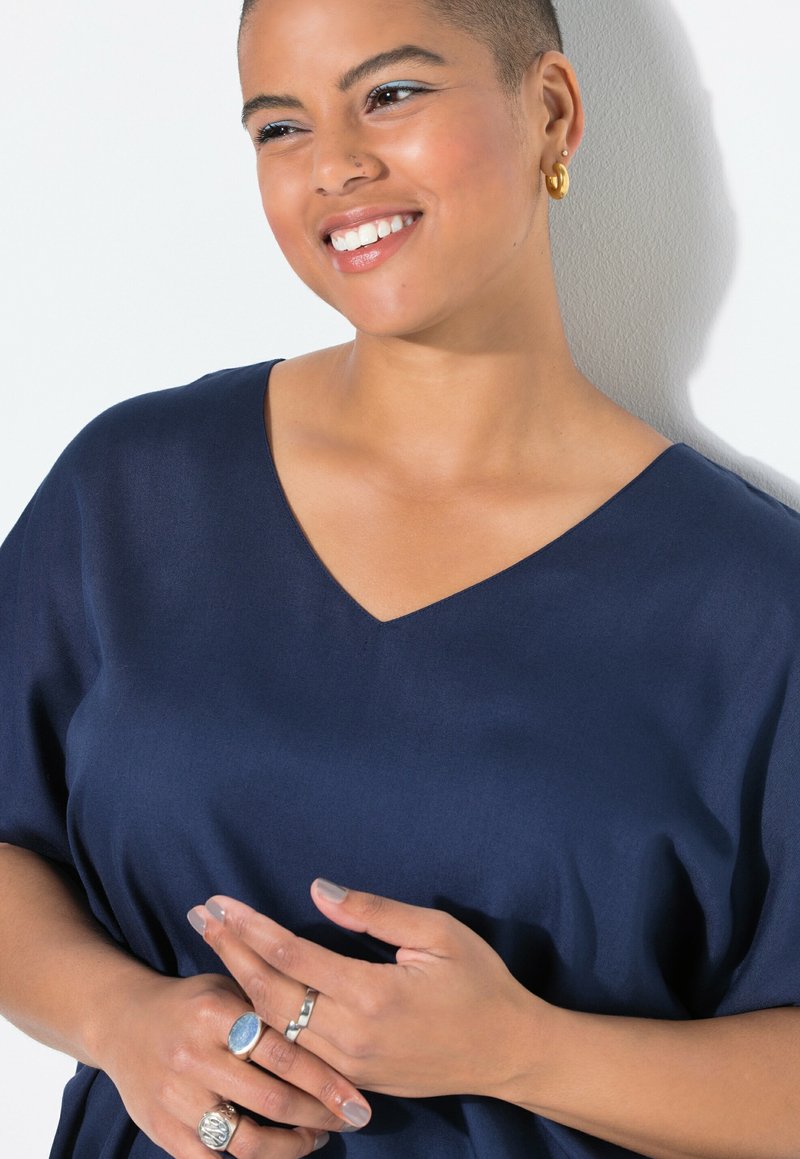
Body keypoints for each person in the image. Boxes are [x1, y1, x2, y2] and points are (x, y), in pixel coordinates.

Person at [1, 0, 798, 1156]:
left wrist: (518, 1049)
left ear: (551, 112)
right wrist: (116, 1017)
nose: (333, 165)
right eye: (279, 127)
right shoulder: (135, 489)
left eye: (390, 94)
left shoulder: (755, 604)